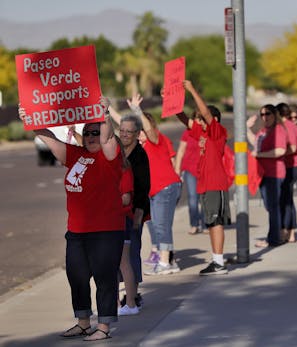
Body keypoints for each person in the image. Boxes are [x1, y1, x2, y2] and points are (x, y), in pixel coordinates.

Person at [19, 100, 125, 341]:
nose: (90, 136)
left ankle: (104, 327)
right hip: (77, 231)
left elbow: (108, 138)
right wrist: (31, 118)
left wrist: (104, 113)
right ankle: (84, 322)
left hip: (106, 231)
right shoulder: (75, 154)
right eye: (87, 133)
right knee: (76, 276)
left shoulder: (110, 158)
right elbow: (48, 139)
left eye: (95, 132)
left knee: (104, 278)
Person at [179, 80, 231, 275]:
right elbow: (184, 119)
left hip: (214, 183)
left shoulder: (217, 132)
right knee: (210, 222)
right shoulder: (201, 133)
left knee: (215, 222)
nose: (198, 121)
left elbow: (207, 114)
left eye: (201, 119)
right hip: (205, 185)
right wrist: (172, 100)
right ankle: (216, 260)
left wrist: (192, 89)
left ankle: (219, 263)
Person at [128, 104, 181, 276]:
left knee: (161, 226)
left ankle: (165, 263)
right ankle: (169, 260)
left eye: (140, 130)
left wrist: (137, 110)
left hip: (165, 188)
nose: (137, 134)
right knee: (160, 226)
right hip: (159, 190)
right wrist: (107, 110)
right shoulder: (141, 148)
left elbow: (150, 130)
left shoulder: (155, 140)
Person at [108, 102, 151, 312]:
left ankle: (133, 297)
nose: (124, 135)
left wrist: (138, 215)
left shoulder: (139, 156)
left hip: (133, 212)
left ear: (137, 134)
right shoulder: (117, 151)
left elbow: (144, 188)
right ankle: (120, 298)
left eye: (129, 132)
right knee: (117, 256)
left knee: (131, 254)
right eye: (122, 131)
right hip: (117, 214)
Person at [247, 104, 288, 248]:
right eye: (262, 114)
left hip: (274, 173)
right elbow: (255, 142)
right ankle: (276, 235)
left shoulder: (278, 130)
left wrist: (259, 154)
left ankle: (274, 238)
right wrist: (247, 128)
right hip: (263, 173)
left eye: (268, 114)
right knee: (270, 206)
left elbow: (280, 150)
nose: (265, 117)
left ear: (275, 115)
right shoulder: (264, 130)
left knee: (273, 206)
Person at [174, 117, 204, 235]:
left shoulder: (206, 134)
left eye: (200, 120)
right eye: (195, 119)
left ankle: (205, 224)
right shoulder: (187, 133)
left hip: (204, 170)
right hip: (190, 170)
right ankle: (194, 224)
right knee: (192, 198)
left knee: (204, 199)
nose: (197, 122)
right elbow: (181, 151)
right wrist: (177, 170)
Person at [277, 102, 297, 243]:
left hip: (291, 166)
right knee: (287, 199)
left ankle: (287, 231)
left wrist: (277, 153)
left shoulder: (288, 126)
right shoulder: (288, 126)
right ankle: (289, 232)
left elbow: (292, 148)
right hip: (290, 165)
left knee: (286, 200)